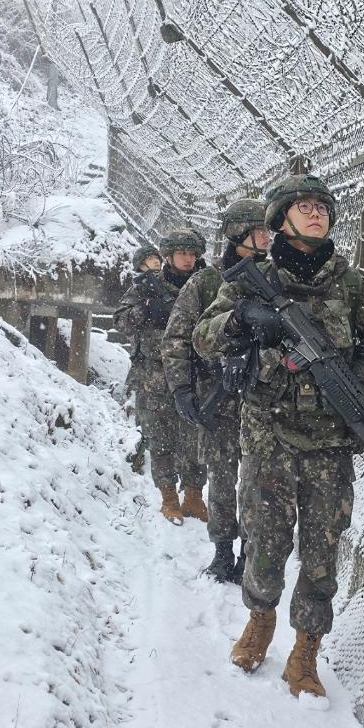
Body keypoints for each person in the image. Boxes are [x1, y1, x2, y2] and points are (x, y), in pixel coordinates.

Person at [192, 174, 364, 700]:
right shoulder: (250, 279)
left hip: (331, 442)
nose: (317, 214)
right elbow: (203, 335)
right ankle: (260, 620)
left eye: (323, 206)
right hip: (267, 433)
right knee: (264, 543)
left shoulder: (351, 283)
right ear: (281, 220)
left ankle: (305, 652)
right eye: (304, 206)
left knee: (322, 551)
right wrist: (244, 317)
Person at [162, 199, 269, 584]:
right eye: (258, 231)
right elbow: (177, 337)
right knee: (222, 480)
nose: (266, 237)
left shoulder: (276, 275)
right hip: (218, 398)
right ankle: (223, 551)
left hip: (263, 400)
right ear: (238, 235)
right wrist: (182, 390)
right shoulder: (206, 282)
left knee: (258, 484)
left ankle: (250, 554)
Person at [114, 229, 208, 525]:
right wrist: (147, 311)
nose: (188, 259)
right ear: (168, 256)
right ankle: (169, 498)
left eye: (192, 254)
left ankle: (194, 495)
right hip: (155, 375)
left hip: (195, 372)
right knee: (161, 437)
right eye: (182, 254)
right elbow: (121, 319)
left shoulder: (205, 283)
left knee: (195, 436)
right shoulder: (146, 287)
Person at [121, 246, 162, 475]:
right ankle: (140, 460)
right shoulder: (138, 289)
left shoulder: (171, 283)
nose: (155, 262)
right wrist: (143, 310)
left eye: (156, 258)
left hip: (173, 364)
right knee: (147, 420)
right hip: (146, 366)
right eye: (149, 260)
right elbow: (122, 320)